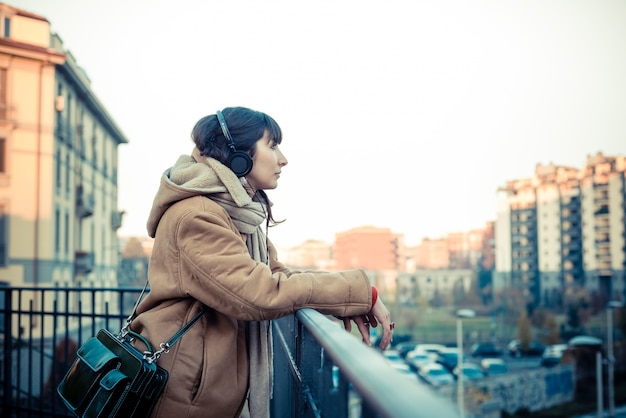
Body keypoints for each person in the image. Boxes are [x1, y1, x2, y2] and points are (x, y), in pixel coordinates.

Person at [132, 106, 393, 418]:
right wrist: (354, 291)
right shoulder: (197, 215)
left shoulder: (234, 214)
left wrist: (353, 297)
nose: (283, 159)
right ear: (238, 154)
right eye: (272, 145)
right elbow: (260, 292)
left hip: (202, 389)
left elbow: (275, 273)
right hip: (183, 395)